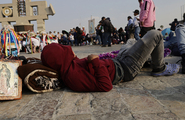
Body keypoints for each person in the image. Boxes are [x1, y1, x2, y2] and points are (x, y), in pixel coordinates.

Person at [41, 30, 180, 92]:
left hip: (117, 61)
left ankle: (148, 58)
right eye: (62, 49)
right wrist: (95, 62)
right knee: (155, 35)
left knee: (131, 40)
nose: (67, 48)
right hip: (125, 69)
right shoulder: (73, 77)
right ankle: (159, 68)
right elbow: (105, 86)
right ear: (59, 58)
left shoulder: (69, 64)